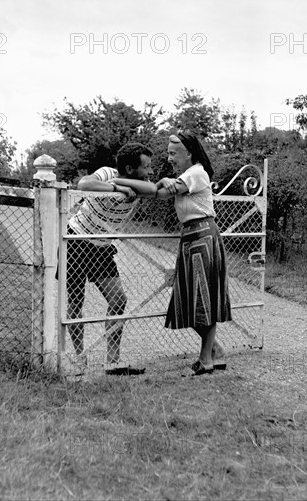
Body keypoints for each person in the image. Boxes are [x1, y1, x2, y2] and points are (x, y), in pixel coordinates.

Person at [63, 142, 155, 372]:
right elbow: (84, 183)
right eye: (146, 167)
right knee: (75, 302)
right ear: (130, 168)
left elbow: (154, 191)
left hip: (102, 247)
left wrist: (125, 185)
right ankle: (79, 356)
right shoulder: (107, 173)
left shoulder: (142, 185)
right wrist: (116, 188)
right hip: (76, 241)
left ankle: (113, 362)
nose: (151, 172)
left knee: (118, 299)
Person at [155, 130, 232, 375]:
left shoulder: (197, 173)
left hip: (202, 237)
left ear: (189, 153)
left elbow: (161, 193)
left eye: (173, 153)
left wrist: (162, 182)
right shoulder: (187, 175)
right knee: (187, 300)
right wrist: (164, 179)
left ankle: (206, 360)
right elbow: (162, 189)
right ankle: (215, 350)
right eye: (168, 153)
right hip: (190, 237)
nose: (169, 158)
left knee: (202, 300)